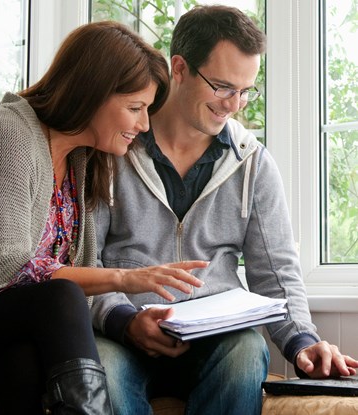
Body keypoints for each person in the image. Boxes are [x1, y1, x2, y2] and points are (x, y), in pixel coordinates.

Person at [0, 21, 207, 415]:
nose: (144, 124)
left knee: (26, 370)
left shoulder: (81, 162)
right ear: (92, 93)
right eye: (135, 108)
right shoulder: (4, 134)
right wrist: (121, 278)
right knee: (61, 296)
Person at [91, 6, 358, 415]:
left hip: (217, 340)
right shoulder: (114, 149)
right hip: (124, 334)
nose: (235, 105)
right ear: (179, 67)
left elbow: (277, 272)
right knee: (101, 366)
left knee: (247, 350)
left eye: (246, 90)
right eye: (223, 87)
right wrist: (123, 320)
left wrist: (304, 341)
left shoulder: (253, 162)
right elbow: (82, 261)